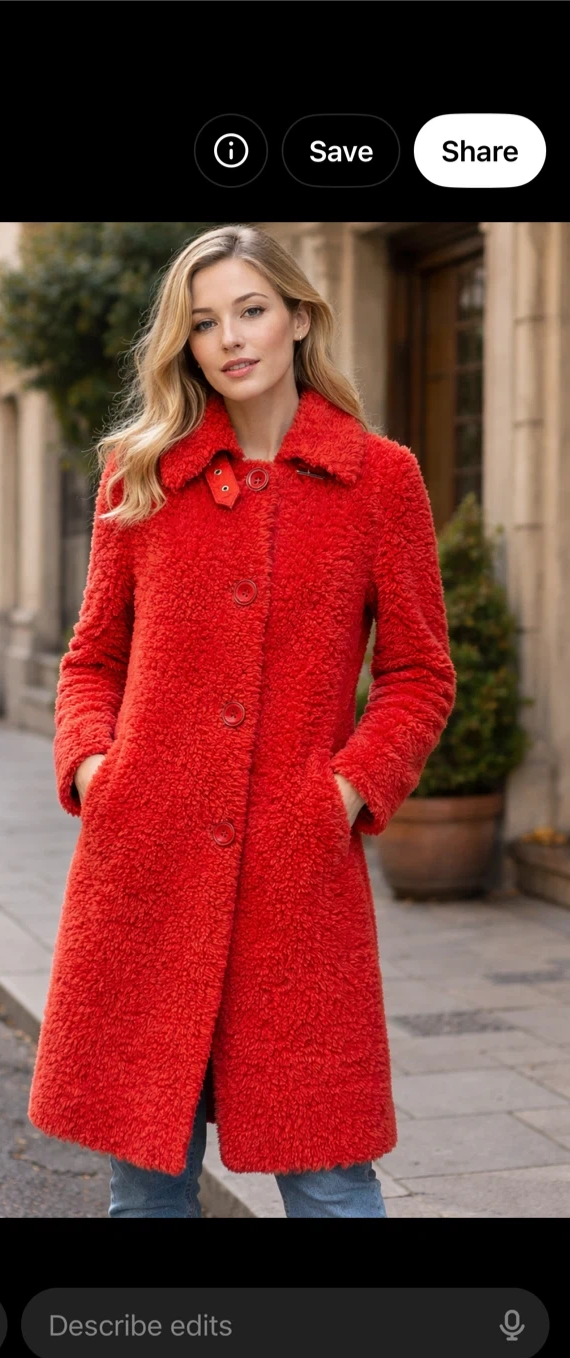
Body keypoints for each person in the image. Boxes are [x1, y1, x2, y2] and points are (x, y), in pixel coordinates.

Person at [28, 225, 456, 1218]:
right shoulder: (141, 472)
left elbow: (418, 673)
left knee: (331, 1181)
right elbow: (91, 659)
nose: (229, 339)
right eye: (204, 321)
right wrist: (95, 769)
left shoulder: (378, 478)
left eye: (251, 311)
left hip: (297, 882)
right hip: (147, 871)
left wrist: (343, 793)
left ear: (300, 318)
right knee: (145, 1181)